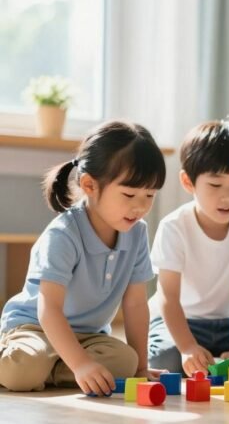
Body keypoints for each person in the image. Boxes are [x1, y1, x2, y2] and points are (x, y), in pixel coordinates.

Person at [0, 121, 166, 395]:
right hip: (36, 327)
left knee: (126, 361)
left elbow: (136, 304)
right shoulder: (64, 234)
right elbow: (49, 309)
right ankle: (44, 365)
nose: (140, 206)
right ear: (90, 185)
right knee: (22, 373)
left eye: (149, 195)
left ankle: (50, 369)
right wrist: (79, 365)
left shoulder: (137, 234)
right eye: (129, 194)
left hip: (89, 336)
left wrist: (140, 369)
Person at [147, 121, 229, 376]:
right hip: (184, 321)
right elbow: (167, 296)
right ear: (188, 181)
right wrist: (187, 347)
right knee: (168, 360)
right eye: (215, 185)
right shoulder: (174, 226)